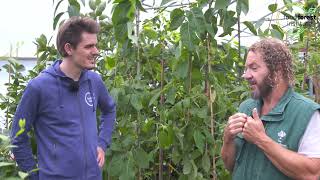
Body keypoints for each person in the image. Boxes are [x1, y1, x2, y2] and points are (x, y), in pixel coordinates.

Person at [10, 16, 116, 180]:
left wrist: (102, 144)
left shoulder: (94, 81)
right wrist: (33, 176)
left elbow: (109, 110)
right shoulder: (39, 87)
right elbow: (17, 137)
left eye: (95, 45)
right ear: (69, 48)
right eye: (89, 46)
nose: (96, 51)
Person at [221, 38, 320, 179]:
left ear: (277, 71)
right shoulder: (246, 107)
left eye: (254, 68)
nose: (246, 75)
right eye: (246, 68)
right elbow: (230, 165)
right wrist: (227, 139)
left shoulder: (307, 114)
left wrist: (261, 139)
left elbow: (312, 174)